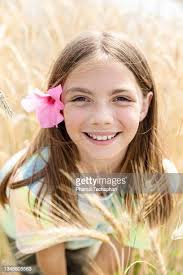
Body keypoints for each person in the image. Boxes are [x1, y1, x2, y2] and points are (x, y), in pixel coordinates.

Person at [0, 31, 178, 275]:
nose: (102, 119)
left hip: (86, 229)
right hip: (31, 231)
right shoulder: (31, 187)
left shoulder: (157, 177)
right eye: (81, 98)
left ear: (144, 105)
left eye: (122, 98)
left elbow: (118, 250)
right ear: (59, 104)